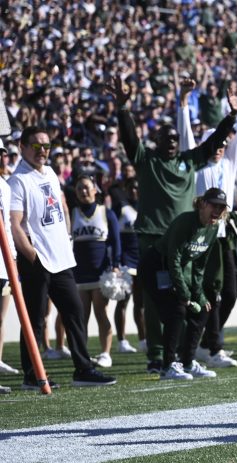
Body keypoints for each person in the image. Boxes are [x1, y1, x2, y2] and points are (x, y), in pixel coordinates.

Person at [105, 75, 237, 373]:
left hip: (185, 239)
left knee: (189, 293)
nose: (173, 142)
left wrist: (231, 116)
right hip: (153, 237)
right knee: (154, 299)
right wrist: (123, 109)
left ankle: (184, 356)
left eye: (176, 139)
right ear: (158, 141)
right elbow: (129, 139)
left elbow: (215, 141)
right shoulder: (146, 160)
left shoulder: (189, 161)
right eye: (167, 138)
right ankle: (157, 354)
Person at [8, 126, 116, 389]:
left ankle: (83, 369)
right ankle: (32, 375)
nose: (42, 151)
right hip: (38, 260)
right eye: (36, 146)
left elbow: (63, 207)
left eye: (46, 146)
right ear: (22, 147)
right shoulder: (18, 180)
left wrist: (66, 238)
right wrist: (32, 257)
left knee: (74, 312)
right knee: (35, 318)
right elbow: (14, 224)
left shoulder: (51, 173)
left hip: (61, 256)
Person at [192, 81, 237, 367]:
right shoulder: (195, 166)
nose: (220, 147)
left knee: (232, 290)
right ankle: (212, 347)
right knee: (213, 292)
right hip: (204, 237)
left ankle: (206, 341)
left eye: (222, 143)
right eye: (215, 143)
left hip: (226, 236)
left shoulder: (228, 163)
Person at [139, 187, 228, 380]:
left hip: (171, 269)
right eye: (214, 205)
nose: (218, 211)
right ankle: (168, 366)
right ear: (203, 204)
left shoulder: (213, 228)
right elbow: (174, 260)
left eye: (222, 207)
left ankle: (187, 362)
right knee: (176, 311)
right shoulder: (186, 222)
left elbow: (199, 266)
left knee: (204, 309)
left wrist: (199, 295)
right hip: (155, 267)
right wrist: (185, 295)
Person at [70, 174, 122, 368]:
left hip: (101, 273)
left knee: (101, 312)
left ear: (95, 190)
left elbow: (116, 241)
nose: (83, 191)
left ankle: (105, 353)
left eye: (86, 187)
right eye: (79, 189)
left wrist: (115, 265)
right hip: (79, 273)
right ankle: (83, 357)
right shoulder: (72, 213)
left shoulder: (105, 212)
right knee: (81, 316)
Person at [112, 177, 146, 353]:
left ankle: (143, 339)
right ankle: (122, 340)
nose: (134, 191)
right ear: (125, 189)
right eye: (131, 187)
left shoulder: (147, 206)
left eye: (137, 187)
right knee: (123, 300)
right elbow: (112, 232)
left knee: (140, 302)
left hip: (142, 259)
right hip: (126, 260)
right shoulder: (120, 207)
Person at [0, 170, 18, 376]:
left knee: (0, 317)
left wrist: (13, 257)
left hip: (3, 262)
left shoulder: (5, 186)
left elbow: (7, 226)